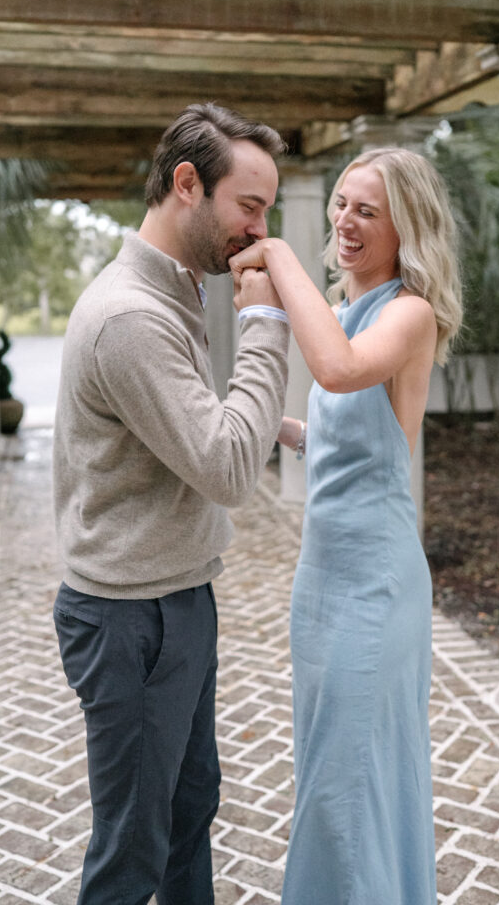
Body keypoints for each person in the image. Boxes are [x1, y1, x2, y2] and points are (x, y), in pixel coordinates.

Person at [52, 103, 290, 905]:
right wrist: (264, 321)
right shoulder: (129, 315)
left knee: (189, 812)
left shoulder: (172, 290)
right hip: (131, 621)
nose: (259, 231)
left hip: (178, 600)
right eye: (248, 207)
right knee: (132, 851)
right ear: (188, 184)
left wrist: (280, 426)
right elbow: (223, 467)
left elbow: (194, 425)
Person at [230, 146, 462, 905]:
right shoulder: (340, 314)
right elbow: (339, 426)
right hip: (319, 583)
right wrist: (274, 426)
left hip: (374, 584)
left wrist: (277, 257)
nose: (344, 222)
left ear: (405, 229)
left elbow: (336, 370)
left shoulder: (408, 314)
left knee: (353, 785)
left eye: (366, 211)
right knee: (327, 775)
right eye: (340, 203)